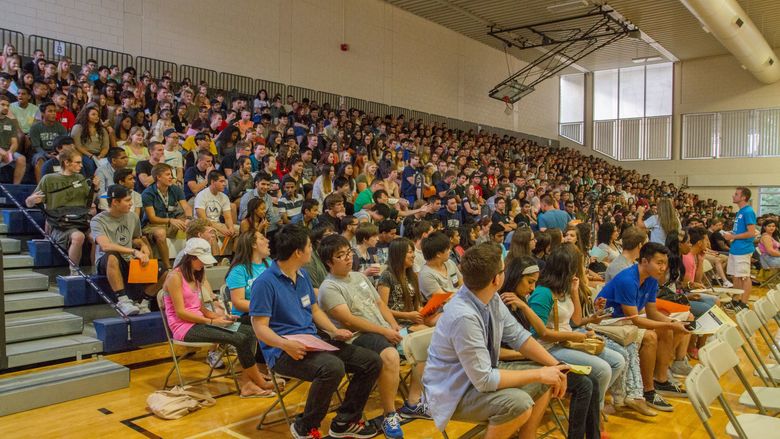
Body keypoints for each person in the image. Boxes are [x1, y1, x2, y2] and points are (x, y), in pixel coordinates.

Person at [250, 224, 382, 439]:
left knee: (371, 361)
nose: (313, 250)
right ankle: (305, 426)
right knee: (332, 367)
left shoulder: (301, 275)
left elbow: (313, 309)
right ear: (298, 252)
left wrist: (332, 330)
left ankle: (344, 421)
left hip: (313, 341)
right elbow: (260, 328)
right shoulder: (264, 284)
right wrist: (285, 344)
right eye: (310, 246)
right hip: (283, 351)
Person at [424, 243, 568, 439]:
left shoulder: (490, 297)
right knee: (519, 403)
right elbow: (485, 380)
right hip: (453, 392)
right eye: (503, 270)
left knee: (548, 377)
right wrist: (540, 374)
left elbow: (518, 336)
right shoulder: (463, 316)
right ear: (496, 279)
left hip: (476, 377)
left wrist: (557, 366)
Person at [318, 234, 430, 439]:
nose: (347, 258)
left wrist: (394, 326)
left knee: (425, 341)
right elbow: (349, 321)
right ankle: (390, 415)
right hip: (358, 337)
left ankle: (413, 402)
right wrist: (385, 331)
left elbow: (379, 304)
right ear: (328, 262)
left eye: (348, 253)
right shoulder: (329, 287)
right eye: (340, 255)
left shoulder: (360, 277)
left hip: (384, 329)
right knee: (390, 355)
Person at [499, 256, 605, 437]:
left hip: (533, 357)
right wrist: (527, 355)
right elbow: (537, 337)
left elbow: (538, 332)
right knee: (584, 384)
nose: (532, 288)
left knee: (591, 380)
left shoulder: (521, 300)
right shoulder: (504, 304)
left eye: (534, 282)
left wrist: (525, 308)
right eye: (529, 282)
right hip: (520, 361)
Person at [163, 237, 275, 397]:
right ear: (191, 257)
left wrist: (221, 317)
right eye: (201, 261)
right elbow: (181, 312)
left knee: (250, 331)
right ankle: (258, 381)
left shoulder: (195, 274)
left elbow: (200, 308)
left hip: (201, 322)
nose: (203, 265)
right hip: (184, 327)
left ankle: (248, 382)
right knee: (240, 338)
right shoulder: (174, 277)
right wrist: (212, 321)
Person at [527, 244, 626, 409]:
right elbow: (537, 334)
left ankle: (589, 406)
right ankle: (592, 412)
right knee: (603, 369)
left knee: (618, 361)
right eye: (577, 265)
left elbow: (577, 321)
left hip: (566, 341)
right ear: (568, 268)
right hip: (548, 348)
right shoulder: (543, 293)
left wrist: (574, 292)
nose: (581, 269)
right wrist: (575, 336)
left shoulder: (564, 287)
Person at [597, 242, 689, 411]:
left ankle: (661, 380)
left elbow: (652, 313)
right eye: (659, 263)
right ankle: (648, 391)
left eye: (665, 263)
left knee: (667, 328)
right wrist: (669, 324)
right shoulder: (627, 279)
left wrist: (673, 323)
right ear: (645, 262)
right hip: (606, 322)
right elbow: (635, 320)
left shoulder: (651, 279)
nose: (663, 268)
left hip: (625, 321)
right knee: (650, 336)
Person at [91, 185, 164, 315]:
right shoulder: (98, 220)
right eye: (127, 200)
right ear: (115, 202)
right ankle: (123, 301)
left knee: (166, 272)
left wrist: (143, 246)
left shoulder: (133, 217)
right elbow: (105, 246)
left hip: (128, 259)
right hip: (107, 261)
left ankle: (143, 302)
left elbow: (135, 238)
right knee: (112, 256)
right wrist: (134, 251)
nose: (131, 204)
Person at [26, 148, 98, 275]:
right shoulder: (49, 179)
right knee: (78, 236)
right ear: (66, 162)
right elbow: (28, 203)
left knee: (97, 238)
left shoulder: (81, 178)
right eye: (77, 162)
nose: (81, 165)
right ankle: (74, 271)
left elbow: (88, 202)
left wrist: (95, 189)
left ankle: (94, 269)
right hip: (60, 223)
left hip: (80, 219)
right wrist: (32, 199)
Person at [141, 163, 192, 270]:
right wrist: (170, 220)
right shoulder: (148, 193)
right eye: (168, 174)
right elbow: (152, 218)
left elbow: (186, 207)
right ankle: (167, 266)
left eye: (171, 174)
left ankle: (190, 262)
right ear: (158, 177)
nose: (171, 177)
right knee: (160, 233)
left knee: (193, 225)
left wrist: (188, 219)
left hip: (171, 222)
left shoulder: (175, 189)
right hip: (152, 225)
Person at [723, 186, 757, 309]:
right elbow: (741, 231)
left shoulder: (748, 211)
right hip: (736, 248)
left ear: (743, 197)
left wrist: (734, 236)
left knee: (744, 276)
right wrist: (732, 234)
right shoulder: (740, 211)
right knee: (736, 276)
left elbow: (751, 233)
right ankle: (736, 299)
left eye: (736, 194)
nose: (733, 196)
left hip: (743, 249)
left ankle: (744, 302)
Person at [194, 170, 237, 254]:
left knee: (241, 230)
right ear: (213, 182)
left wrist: (231, 227)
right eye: (221, 181)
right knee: (212, 234)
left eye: (224, 181)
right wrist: (220, 229)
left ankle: (234, 258)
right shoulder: (201, 195)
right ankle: (217, 263)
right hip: (202, 225)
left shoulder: (224, 197)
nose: (224, 184)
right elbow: (203, 219)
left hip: (217, 224)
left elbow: (228, 217)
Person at [418, 231, 462, 302]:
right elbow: (444, 299)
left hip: (460, 301)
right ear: (438, 254)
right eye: (447, 249)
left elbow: (462, 284)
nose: (450, 251)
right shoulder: (426, 275)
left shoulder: (450, 263)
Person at [29, 101, 68, 182]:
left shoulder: (61, 128)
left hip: (57, 152)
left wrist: (59, 153)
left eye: (54, 111)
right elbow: (36, 146)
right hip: (40, 152)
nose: (53, 113)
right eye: (50, 111)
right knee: (39, 159)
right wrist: (46, 154)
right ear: (42, 113)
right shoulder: (35, 128)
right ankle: (41, 187)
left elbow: (65, 144)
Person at [0, 95, 26, 183]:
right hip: (1, 152)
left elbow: (14, 142)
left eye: (7, 105)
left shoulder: (10, 122)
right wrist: (3, 153)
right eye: (3, 104)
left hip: (8, 151)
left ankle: (15, 188)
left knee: (21, 159)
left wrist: (9, 153)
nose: (5, 107)